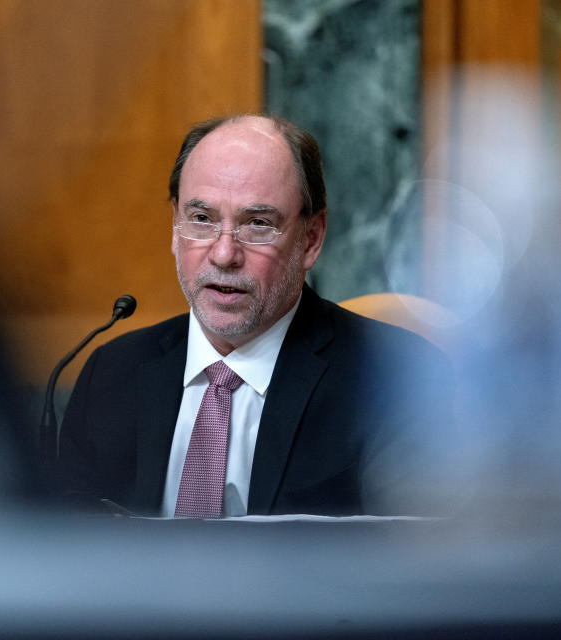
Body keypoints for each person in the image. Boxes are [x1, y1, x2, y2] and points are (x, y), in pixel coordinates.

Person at [58, 114, 451, 517]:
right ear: (175, 227)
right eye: (202, 219)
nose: (224, 254)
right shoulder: (111, 374)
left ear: (311, 239)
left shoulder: (393, 378)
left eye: (258, 224)